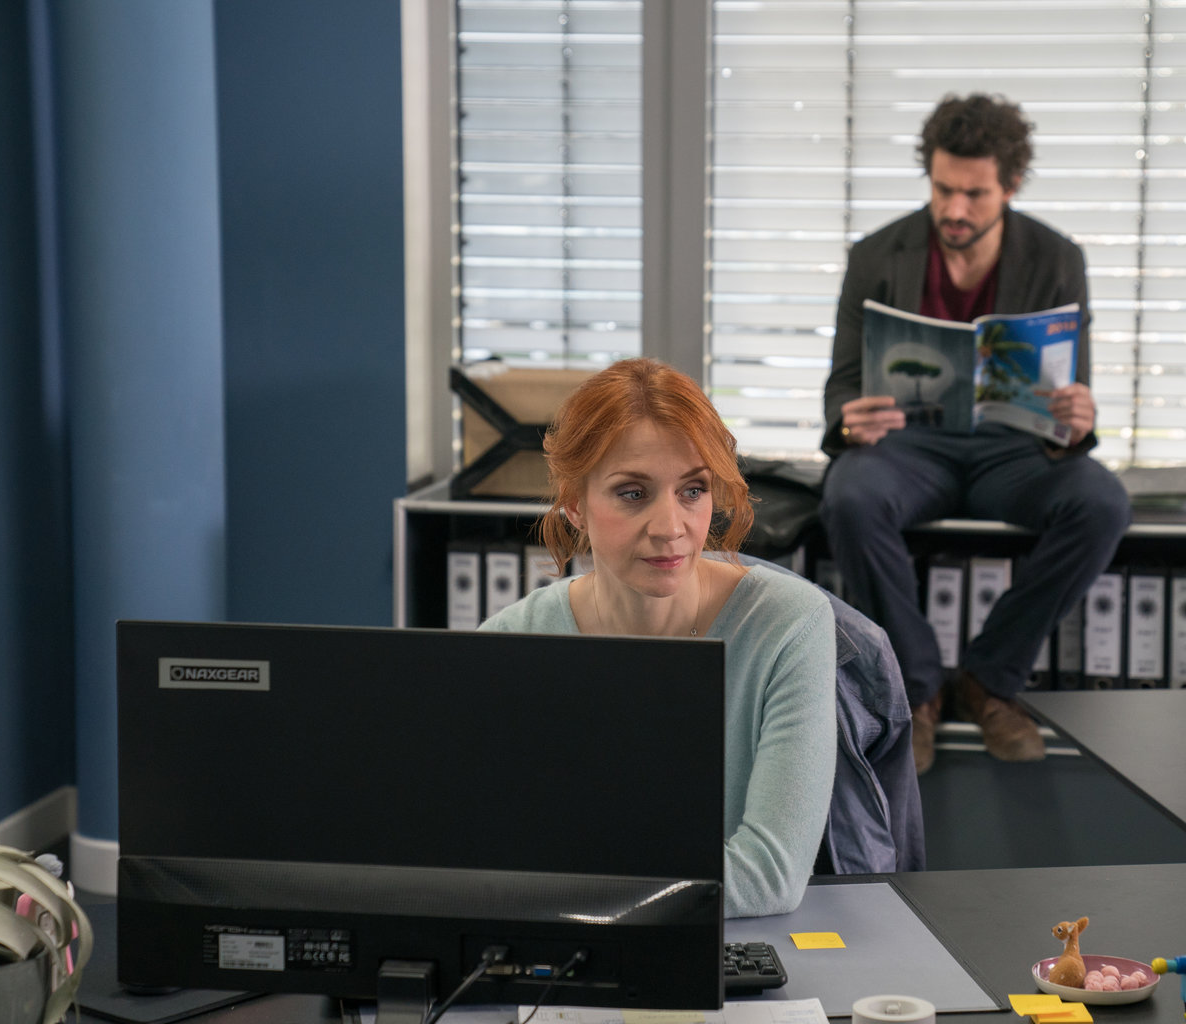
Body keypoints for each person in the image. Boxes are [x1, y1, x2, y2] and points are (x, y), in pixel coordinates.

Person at [819, 93, 1130, 771]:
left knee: (1103, 503)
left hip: (1012, 452)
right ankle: (918, 688)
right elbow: (841, 385)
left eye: (974, 194)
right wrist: (849, 417)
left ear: (1010, 186)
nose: (954, 209)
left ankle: (990, 680)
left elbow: (1071, 395)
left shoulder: (1056, 257)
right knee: (849, 495)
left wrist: (1077, 419)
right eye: (942, 189)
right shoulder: (876, 255)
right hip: (908, 448)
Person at [480, 357, 837, 918]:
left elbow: (771, 875)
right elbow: (482, 855)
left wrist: (567, 887)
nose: (671, 528)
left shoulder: (788, 625)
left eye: (693, 490)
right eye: (632, 493)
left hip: (729, 943)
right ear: (574, 503)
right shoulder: (510, 641)